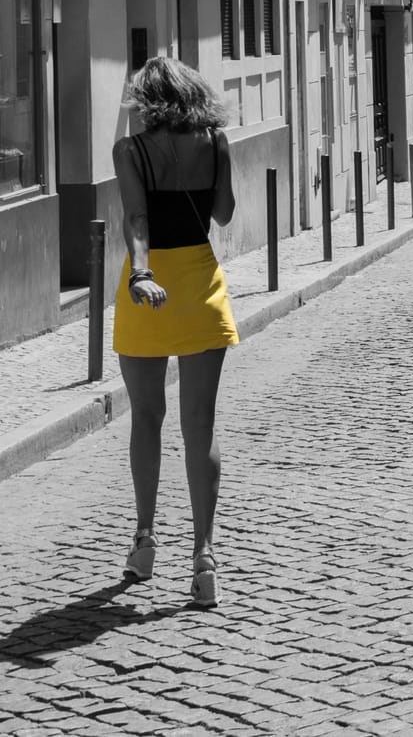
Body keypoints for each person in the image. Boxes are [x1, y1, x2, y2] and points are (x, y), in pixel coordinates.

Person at [112, 57, 238, 609]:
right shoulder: (216, 139)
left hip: (150, 285)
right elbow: (226, 214)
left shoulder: (130, 150)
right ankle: (204, 557)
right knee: (200, 424)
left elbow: (137, 219)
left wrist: (141, 271)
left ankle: (144, 542)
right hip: (201, 283)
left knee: (146, 417)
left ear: (146, 97)